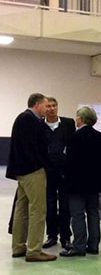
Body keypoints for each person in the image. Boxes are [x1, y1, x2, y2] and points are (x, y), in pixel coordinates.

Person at [7, 93, 56, 262]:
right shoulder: (29, 120)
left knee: (21, 208)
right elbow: (35, 148)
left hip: (22, 172)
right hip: (33, 171)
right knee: (38, 210)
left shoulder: (23, 118)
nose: (47, 109)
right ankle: (34, 250)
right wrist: (44, 166)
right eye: (45, 105)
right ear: (37, 105)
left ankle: (18, 246)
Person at [61, 106, 101, 257]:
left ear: (81, 119)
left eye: (77, 116)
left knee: (77, 214)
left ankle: (79, 245)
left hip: (77, 182)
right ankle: (94, 244)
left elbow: (69, 161)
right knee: (93, 212)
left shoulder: (75, 137)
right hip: (95, 181)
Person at [42, 97, 76, 251]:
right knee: (49, 205)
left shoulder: (68, 123)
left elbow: (73, 146)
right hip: (47, 171)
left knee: (65, 205)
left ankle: (66, 237)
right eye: (48, 106)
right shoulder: (40, 125)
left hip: (65, 171)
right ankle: (51, 235)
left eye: (54, 105)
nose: (51, 109)